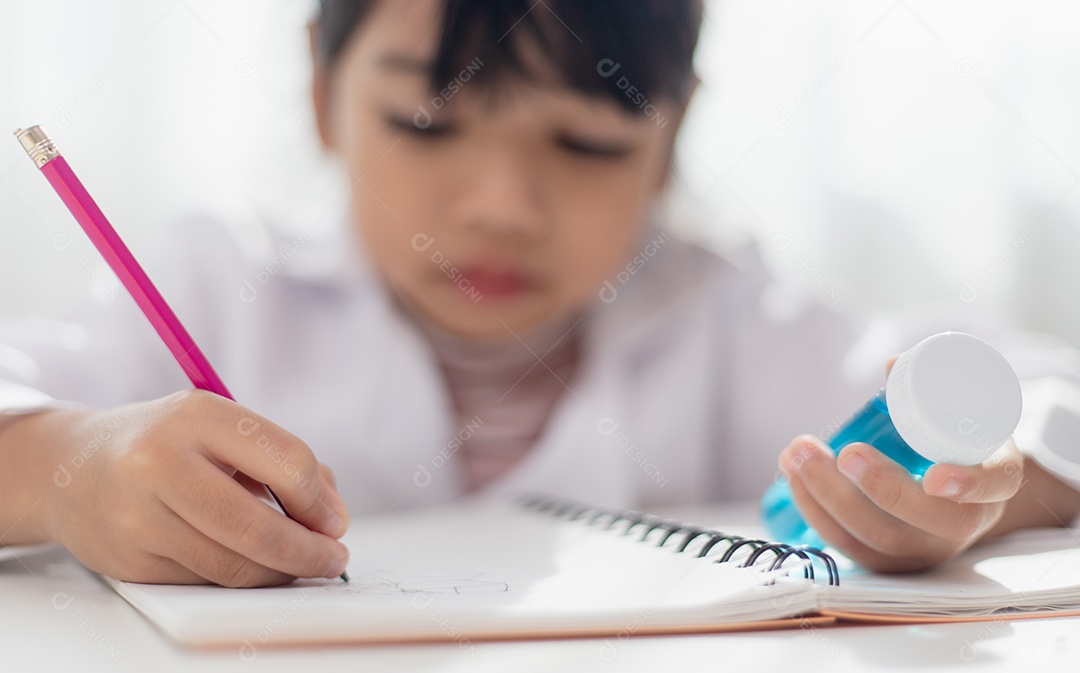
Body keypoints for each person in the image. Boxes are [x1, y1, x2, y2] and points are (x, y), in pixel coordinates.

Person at [1, 0, 1078, 587]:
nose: (505, 206)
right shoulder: (212, 283)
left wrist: (989, 490)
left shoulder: (726, 314)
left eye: (588, 140)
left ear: (672, 136)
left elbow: (1044, 400)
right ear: (324, 94)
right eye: (428, 123)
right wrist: (66, 469)